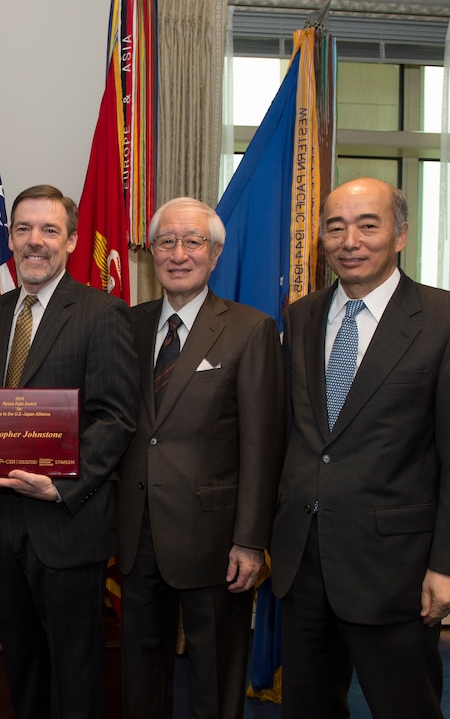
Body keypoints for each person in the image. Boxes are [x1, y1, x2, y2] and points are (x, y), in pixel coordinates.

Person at [270, 177, 450, 718]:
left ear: (400, 235)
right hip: (303, 563)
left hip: (395, 569)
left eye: (368, 225)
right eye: (335, 227)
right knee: (308, 708)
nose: (350, 240)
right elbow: (298, 439)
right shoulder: (301, 317)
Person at [0, 184, 138, 719]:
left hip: (65, 522)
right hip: (4, 521)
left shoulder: (103, 313)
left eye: (50, 230)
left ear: (72, 241)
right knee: (23, 661)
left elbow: (116, 417)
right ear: (9, 238)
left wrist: (61, 486)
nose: (36, 241)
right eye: (24, 229)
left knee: (74, 670)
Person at [115, 197, 285, 719]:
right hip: (137, 534)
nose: (179, 253)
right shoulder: (129, 325)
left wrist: (250, 540)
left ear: (215, 255)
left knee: (215, 675)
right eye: (167, 241)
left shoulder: (250, 329)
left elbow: (263, 443)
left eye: (193, 242)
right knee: (141, 673)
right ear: (151, 253)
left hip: (216, 541)